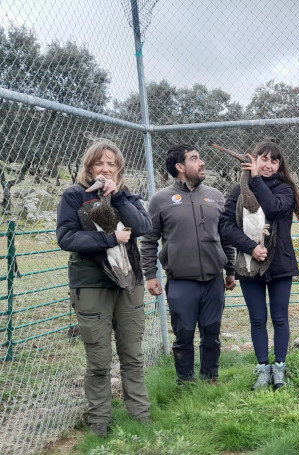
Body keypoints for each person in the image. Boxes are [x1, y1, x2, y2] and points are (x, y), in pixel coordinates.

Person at [56, 138, 152, 437]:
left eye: (112, 164)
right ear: (89, 166)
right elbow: (66, 238)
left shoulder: (128, 197)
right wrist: (110, 239)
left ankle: (141, 418)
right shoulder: (74, 196)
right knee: (98, 360)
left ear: (119, 168)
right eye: (100, 163)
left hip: (129, 284)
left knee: (132, 356)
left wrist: (119, 198)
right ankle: (99, 424)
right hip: (92, 285)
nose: (106, 169)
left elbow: (144, 227)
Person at [140, 145, 236, 384]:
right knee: (183, 335)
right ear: (180, 167)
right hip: (181, 282)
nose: (202, 162)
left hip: (214, 280)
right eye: (195, 159)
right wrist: (150, 275)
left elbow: (225, 236)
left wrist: (231, 270)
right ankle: (185, 382)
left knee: (212, 333)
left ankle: (210, 378)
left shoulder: (215, 196)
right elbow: (149, 240)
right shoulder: (160, 200)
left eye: (200, 157)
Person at [219, 141, 299, 389]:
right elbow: (225, 225)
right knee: (257, 319)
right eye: (263, 159)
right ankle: (262, 370)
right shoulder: (239, 189)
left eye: (274, 160)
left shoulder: (285, 189)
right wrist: (250, 247)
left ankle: (279, 369)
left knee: (279, 318)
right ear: (253, 159)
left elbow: (274, 208)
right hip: (249, 265)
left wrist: (255, 178)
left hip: (280, 264)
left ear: (280, 165)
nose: (268, 165)